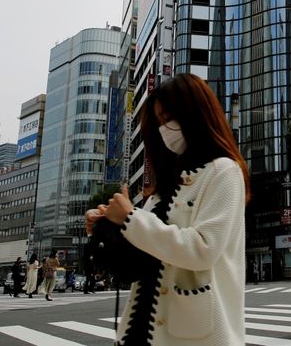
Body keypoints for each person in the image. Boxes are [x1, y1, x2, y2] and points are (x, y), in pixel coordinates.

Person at [84, 73, 250, 345]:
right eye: (159, 121)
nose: (164, 128)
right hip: (139, 329)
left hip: (195, 335)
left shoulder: (224, 171)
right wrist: (108, 227)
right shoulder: (162, 190)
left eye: (169, 117)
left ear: (196, 114)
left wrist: (129, 217)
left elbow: (202, 250)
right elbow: (140, 259)